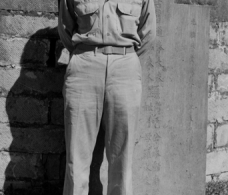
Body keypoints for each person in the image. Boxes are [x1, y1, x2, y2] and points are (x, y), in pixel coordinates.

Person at [58, 0, 156, 195]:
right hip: (85, 65)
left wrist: (124, 57)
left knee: (123, 156)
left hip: (125, 66)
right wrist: (86, 55)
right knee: (77, 156)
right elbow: (65, 28)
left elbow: (148, 33)